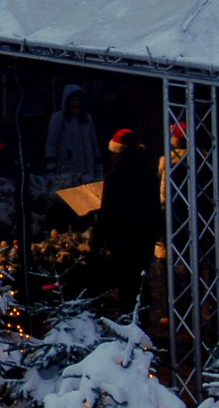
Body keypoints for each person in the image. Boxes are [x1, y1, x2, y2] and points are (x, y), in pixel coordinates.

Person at [92, 129, 160, 312]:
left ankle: (128, 318)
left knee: (125, 282)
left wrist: (97, 238)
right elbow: (154, 206)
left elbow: (107, 209)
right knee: (141, 280)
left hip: (121, 236)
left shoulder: (114, 175)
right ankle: (142, 318)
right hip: (144, 235)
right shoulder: (147, 172)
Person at [45, 84, 101, 180]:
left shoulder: (87, 118)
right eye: (73, 101)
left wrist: (98, 164)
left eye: (78, 100)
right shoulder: (58, 118)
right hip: (67, 168)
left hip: (88, 168)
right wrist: (51, 166)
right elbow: (51, 143)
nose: (76, 104)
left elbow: (94, 142)